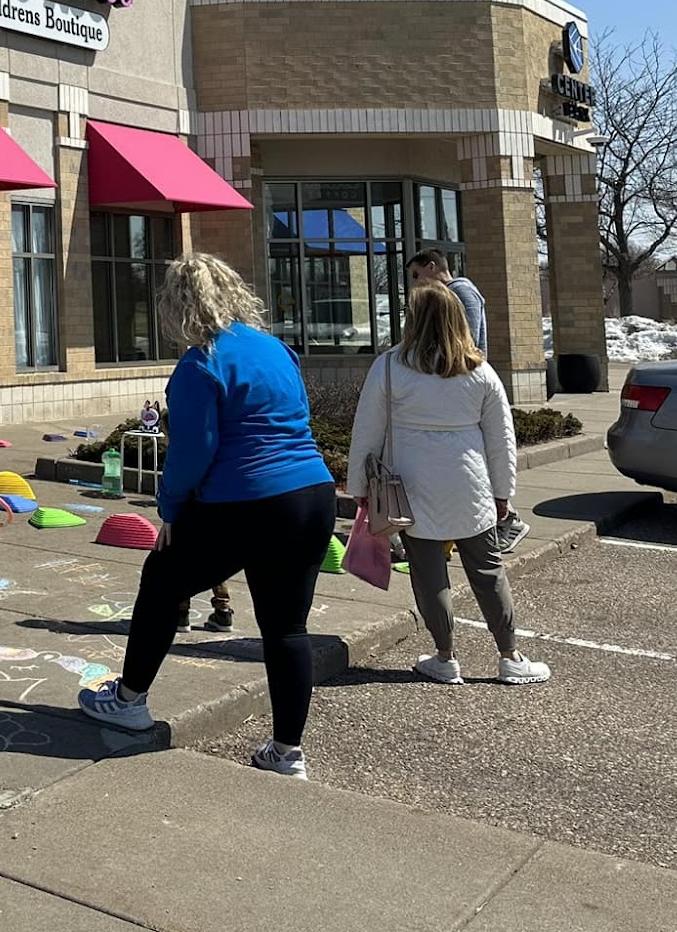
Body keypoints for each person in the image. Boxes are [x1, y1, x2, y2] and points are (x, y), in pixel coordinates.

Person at [78, 253, 337, 781]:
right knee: (286, 626)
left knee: (161, 580)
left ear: (178, 306)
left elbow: (192, 452)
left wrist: (170, 508)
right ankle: (287, 753)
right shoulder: (275, 348)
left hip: (248, 500)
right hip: (313, 493)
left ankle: (128, 700)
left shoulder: (201, 363)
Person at [350, 283, 551, 687]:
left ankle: (445, 656)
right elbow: (501, 439)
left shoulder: (389, 367)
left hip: (410, 486)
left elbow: (367, 430)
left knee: (428, 575)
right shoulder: (480, 371)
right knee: (488, 570)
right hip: (470, 485)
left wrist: (359, 485)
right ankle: (510, 655)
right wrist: (502, 492)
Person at [407, 249, 528, 553]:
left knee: (479, 462)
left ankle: (508, 520)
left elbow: (465, 342)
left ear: (432, 267)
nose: (416, 283)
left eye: (417, 275)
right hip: (457, 387)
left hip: (464, 389)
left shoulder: (461, 292)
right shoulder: (455, 293)